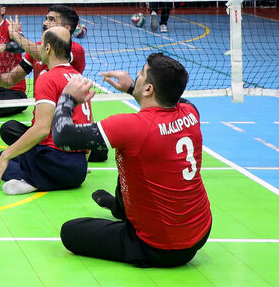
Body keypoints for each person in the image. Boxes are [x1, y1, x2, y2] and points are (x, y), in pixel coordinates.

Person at [50, 53, 211, 267]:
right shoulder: (191, 112)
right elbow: (168, 99)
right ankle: (119, 209)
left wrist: (68, 97)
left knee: (70, 232)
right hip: (200, 231)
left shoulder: (132, 126)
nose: (136, 75)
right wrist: (133, 88)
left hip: (159, 247)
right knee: (132, 158)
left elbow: (63, 137)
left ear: (149, 89)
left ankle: (126, 220)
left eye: (141, 74)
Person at [0, 26, 90, 196]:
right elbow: (86, 127)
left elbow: (42, 129)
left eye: (41, 44)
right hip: (79, 169)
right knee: (17, 152)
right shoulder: (79, 78)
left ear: (48, 48)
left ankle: (32, 181)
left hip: (53, 160)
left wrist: (6, 156)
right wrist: (83, 164)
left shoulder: (47, 78)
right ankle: (48, 179)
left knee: (4, 158)